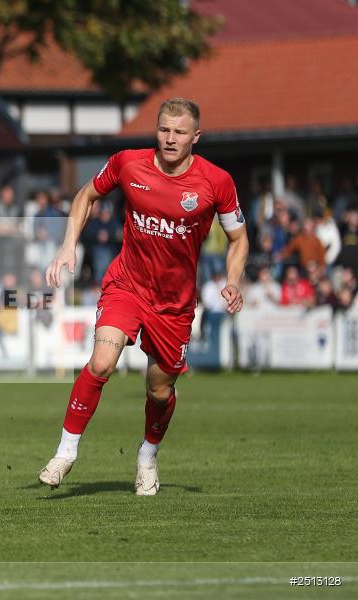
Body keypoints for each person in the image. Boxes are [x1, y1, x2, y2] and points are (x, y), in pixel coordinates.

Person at [38, 98, 249, 496]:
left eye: (180, 132)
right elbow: (86, 195)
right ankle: (65, 452)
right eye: (164, 129)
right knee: (102, 362)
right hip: (128, 286)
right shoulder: (128, 163)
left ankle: (147, 455)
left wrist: (234, 280)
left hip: (174, 304)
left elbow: (238, 238)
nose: (170, 138)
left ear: (196, 136)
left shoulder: (216, 181)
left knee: (159, 390)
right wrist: (68, 246)